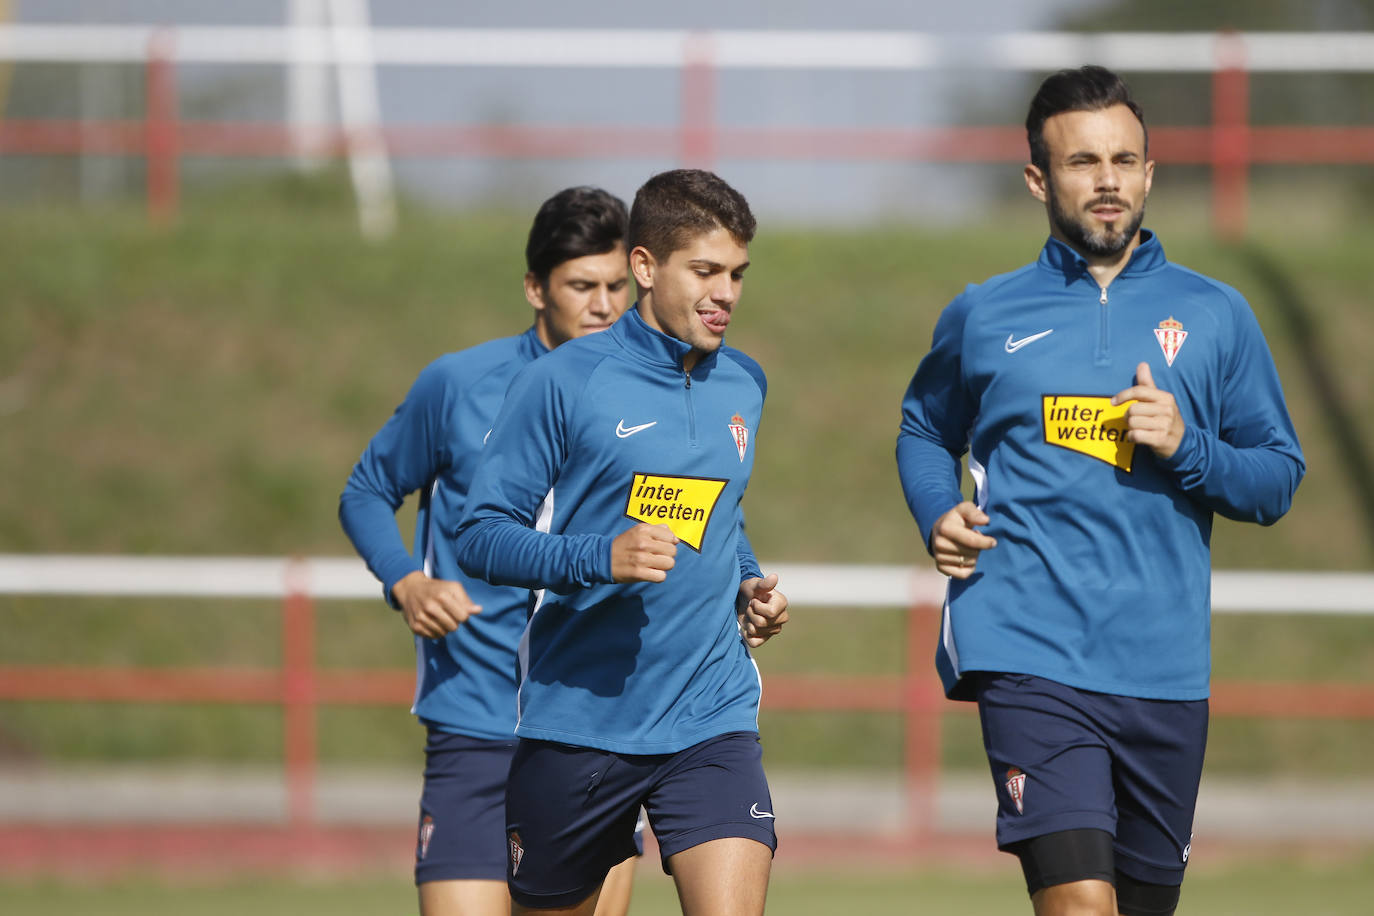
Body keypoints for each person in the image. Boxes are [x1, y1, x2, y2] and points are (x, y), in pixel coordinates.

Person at [895, 66, 1304, 916]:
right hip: (1027, 651)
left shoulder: (1218, 314)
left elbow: (1275, 479)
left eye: (1125, 159)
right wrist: (937, 509)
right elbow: (924, 430)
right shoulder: (983, 314)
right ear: (1039, 180)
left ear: (1151, 174)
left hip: (1164, 669)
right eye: (1083, 162)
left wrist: (1188, 447)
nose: (1108, 179)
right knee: (1080, 904)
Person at [454, 168, 789, 916]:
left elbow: (719, 516)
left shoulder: (745, 384)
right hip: (581, 722)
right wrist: (598, 558)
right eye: (704, 271)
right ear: (644, 266)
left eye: (737, 273)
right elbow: (479, 535)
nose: (726, 293)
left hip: (711, 713)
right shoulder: (565, 381)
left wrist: (748, 582)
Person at [339, 186, 641, 916]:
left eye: (615, 287)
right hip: (475, 723)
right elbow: (366, 491)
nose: (602, 305)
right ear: (535, 288)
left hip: (592, 728)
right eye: (581, 286)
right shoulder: (458, 385)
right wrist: (407, 582)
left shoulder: (649, 398)